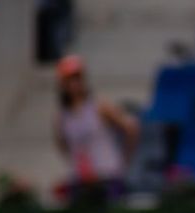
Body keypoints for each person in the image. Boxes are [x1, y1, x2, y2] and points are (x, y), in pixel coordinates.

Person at [54, 54, 138, 201]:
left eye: (77, 78)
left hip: (107, 177)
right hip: (81, 180)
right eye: (69, 79)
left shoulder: (99, 106)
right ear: (63, 83)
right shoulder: (62, 116)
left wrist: (124, 160)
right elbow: (63, 144)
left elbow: (131, 127)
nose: (74, 83)